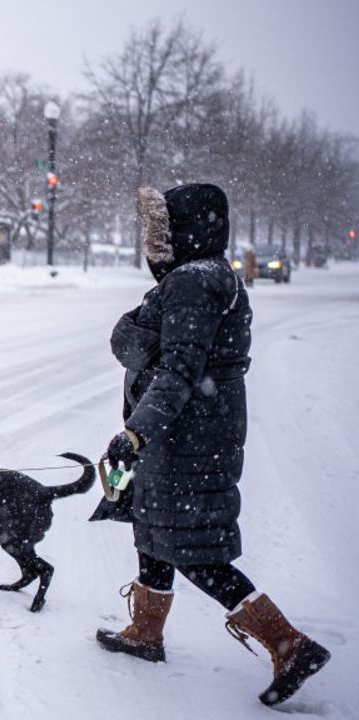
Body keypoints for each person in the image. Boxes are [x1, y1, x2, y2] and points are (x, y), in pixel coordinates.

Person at [92, 184, 329, 706]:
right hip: (193, 428)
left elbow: (177, 369)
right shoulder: (204, 276)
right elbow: (152, 351)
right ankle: (146, 632)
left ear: (186, 231)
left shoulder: (195, 283)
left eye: (166, 230)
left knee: (194, 546)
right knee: (152, 525)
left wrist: (136, 431)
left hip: (185, 435)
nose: (158, 241)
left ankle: (289, 645)